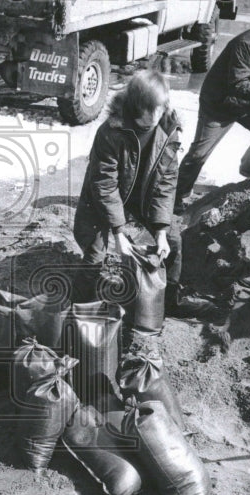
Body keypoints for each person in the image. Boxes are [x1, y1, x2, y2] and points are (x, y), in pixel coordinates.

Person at [71, 69, 209, 320]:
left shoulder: (169, 132)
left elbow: (166, 184)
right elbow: (104, 184)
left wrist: (160, 230)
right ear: (135, 108)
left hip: (144, 195)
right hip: (106, 197)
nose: (154, 118)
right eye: (148, 114)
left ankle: (170, 301)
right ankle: (76, 307)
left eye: (159, 111)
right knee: (95, 253)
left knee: (174, 241)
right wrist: (118, 232)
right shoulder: (110, 132)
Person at [174, 19, 250, 211]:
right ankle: (177, 196)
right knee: (199, 153)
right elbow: (238, 84)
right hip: (219, 103)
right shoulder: (247, 44)